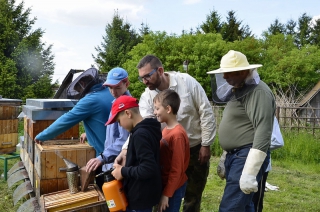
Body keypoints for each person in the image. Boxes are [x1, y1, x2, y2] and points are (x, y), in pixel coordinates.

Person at [115, 54, 216, 212]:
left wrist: (206, 144)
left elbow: (206, 111)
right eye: (141, 78)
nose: (144, 81)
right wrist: (126, 149)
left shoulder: (186, 81)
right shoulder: (147, 96)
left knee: (193, 194)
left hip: (195, 148)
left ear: (160, 70)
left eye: (147, 76)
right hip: (167, 150)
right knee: (169, 191)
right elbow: (142, 125)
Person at [207, 50, 275, 212]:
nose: (224, 77)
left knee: (230, 207)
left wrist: (250, 171)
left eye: (228, 73)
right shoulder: (240, 89)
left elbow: (263, 130)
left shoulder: (258, 91)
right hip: (237, 155)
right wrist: (226, 155)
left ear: (243, 71)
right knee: (245, 206)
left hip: (245, 156)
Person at [34, 67, 114, 189]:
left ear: (83, 85)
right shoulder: (110, 91)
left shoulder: (90, 100)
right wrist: (89, 133)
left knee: (106, 192)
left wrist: (42, 135)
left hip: (105, 157)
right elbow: (105, 119)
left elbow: (65, 121)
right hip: (121, 151)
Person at [109, 95, 162, 212]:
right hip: (145, 195)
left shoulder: (140, 135)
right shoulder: (147, 129)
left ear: (128, 113)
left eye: (118, 121)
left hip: (140, 198)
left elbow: (148, 168)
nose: (120, 125)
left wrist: (123, 171)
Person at [85, 67, 130, 173]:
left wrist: (102, 157)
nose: (113, 92)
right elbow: (113, 133)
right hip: (110, 164)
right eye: (110, 87)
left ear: (126, 84)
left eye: (117, 87)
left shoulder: (126, 108)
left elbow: (124, 140)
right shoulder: (116, 102)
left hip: (118, 166)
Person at [153, 89, 190, 212]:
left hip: (173, 188)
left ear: (168, 109)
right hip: (166, 185)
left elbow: (177, 169)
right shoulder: (166, 129)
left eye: (157, 109)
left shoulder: (177, 135)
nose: (155, 112)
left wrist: (166, 194)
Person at [252, 117, 284, 212]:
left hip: (259, 163)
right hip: (238, 162)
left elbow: (277, 141)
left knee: (255, 200)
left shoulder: (268, 115)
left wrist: (254, 146)